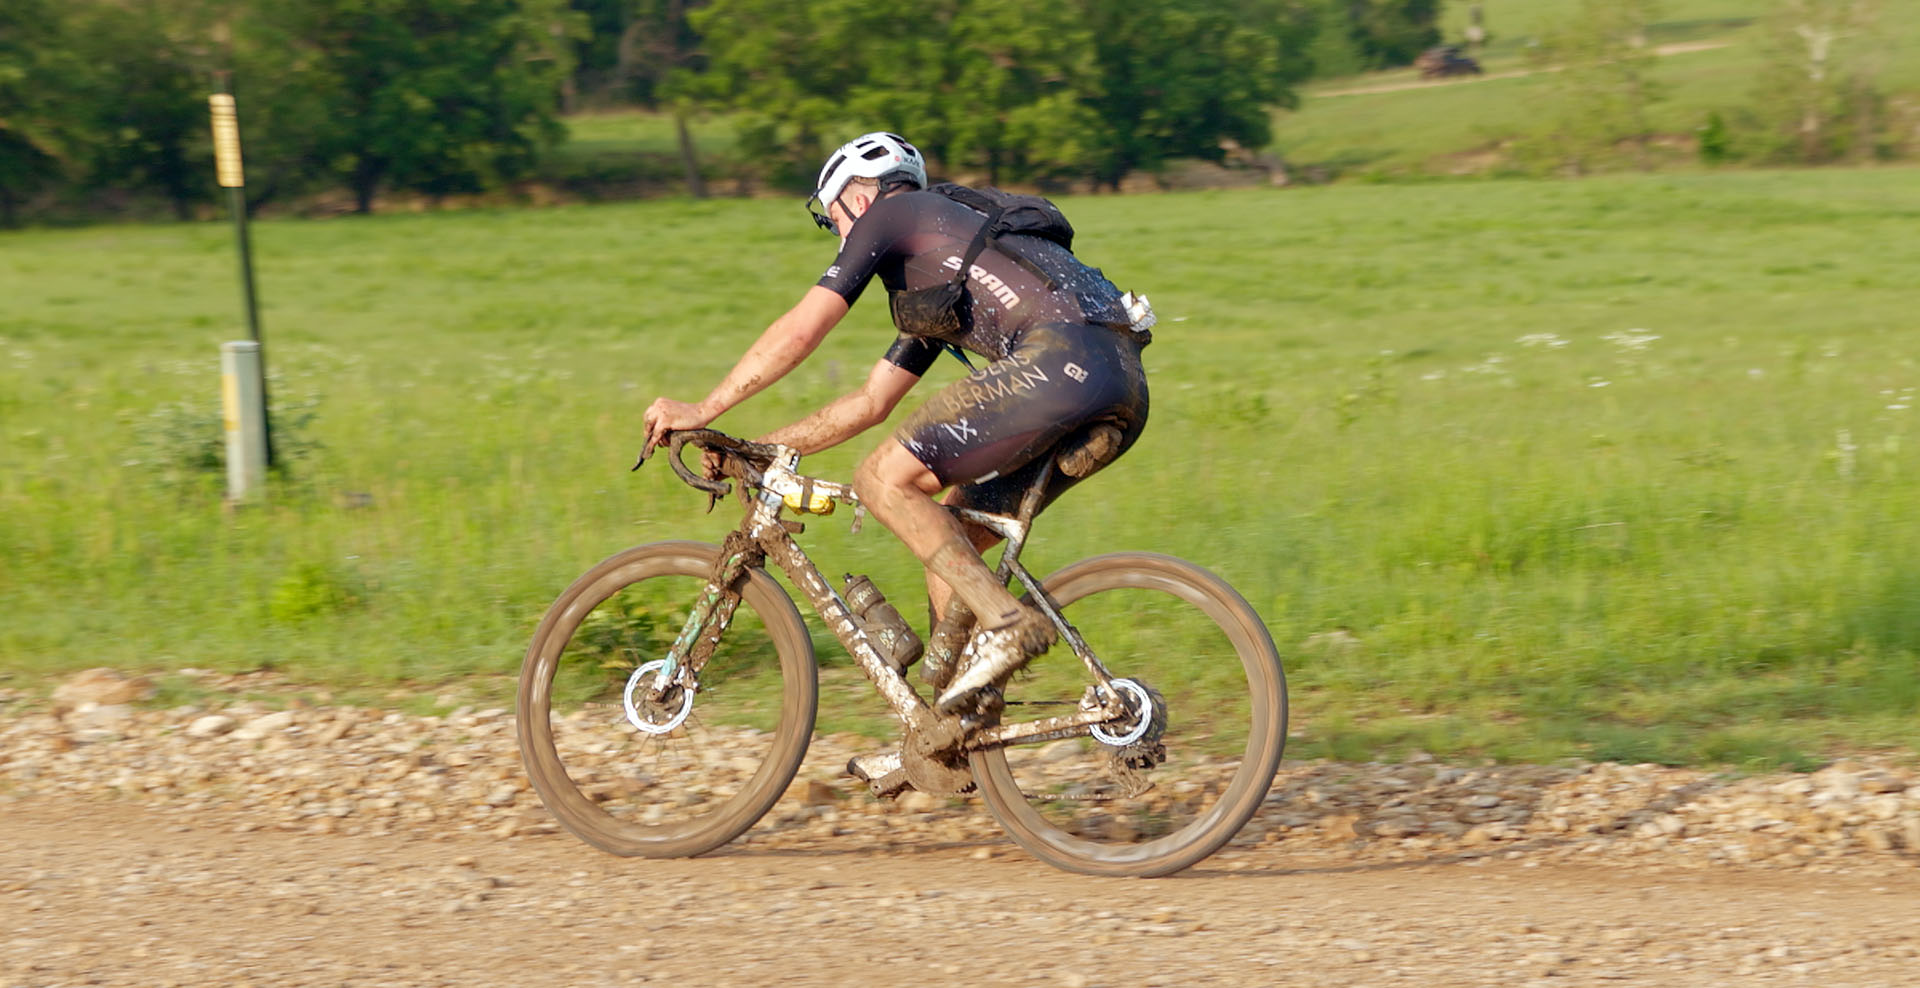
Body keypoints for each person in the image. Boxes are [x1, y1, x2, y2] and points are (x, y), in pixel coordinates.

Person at [640, 131, 1150, 722]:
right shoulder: (944, 273)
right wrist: (759, 448)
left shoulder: (892, 212)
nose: (840, 236)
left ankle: (1008, 623)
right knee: (952, 541)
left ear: (858, 196)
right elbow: (870, 401)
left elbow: (804, 328)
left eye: (834, 221)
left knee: (882, 478)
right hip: (1120, 378)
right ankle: (959, 726)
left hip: (1055, 361)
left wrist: (703, 410)